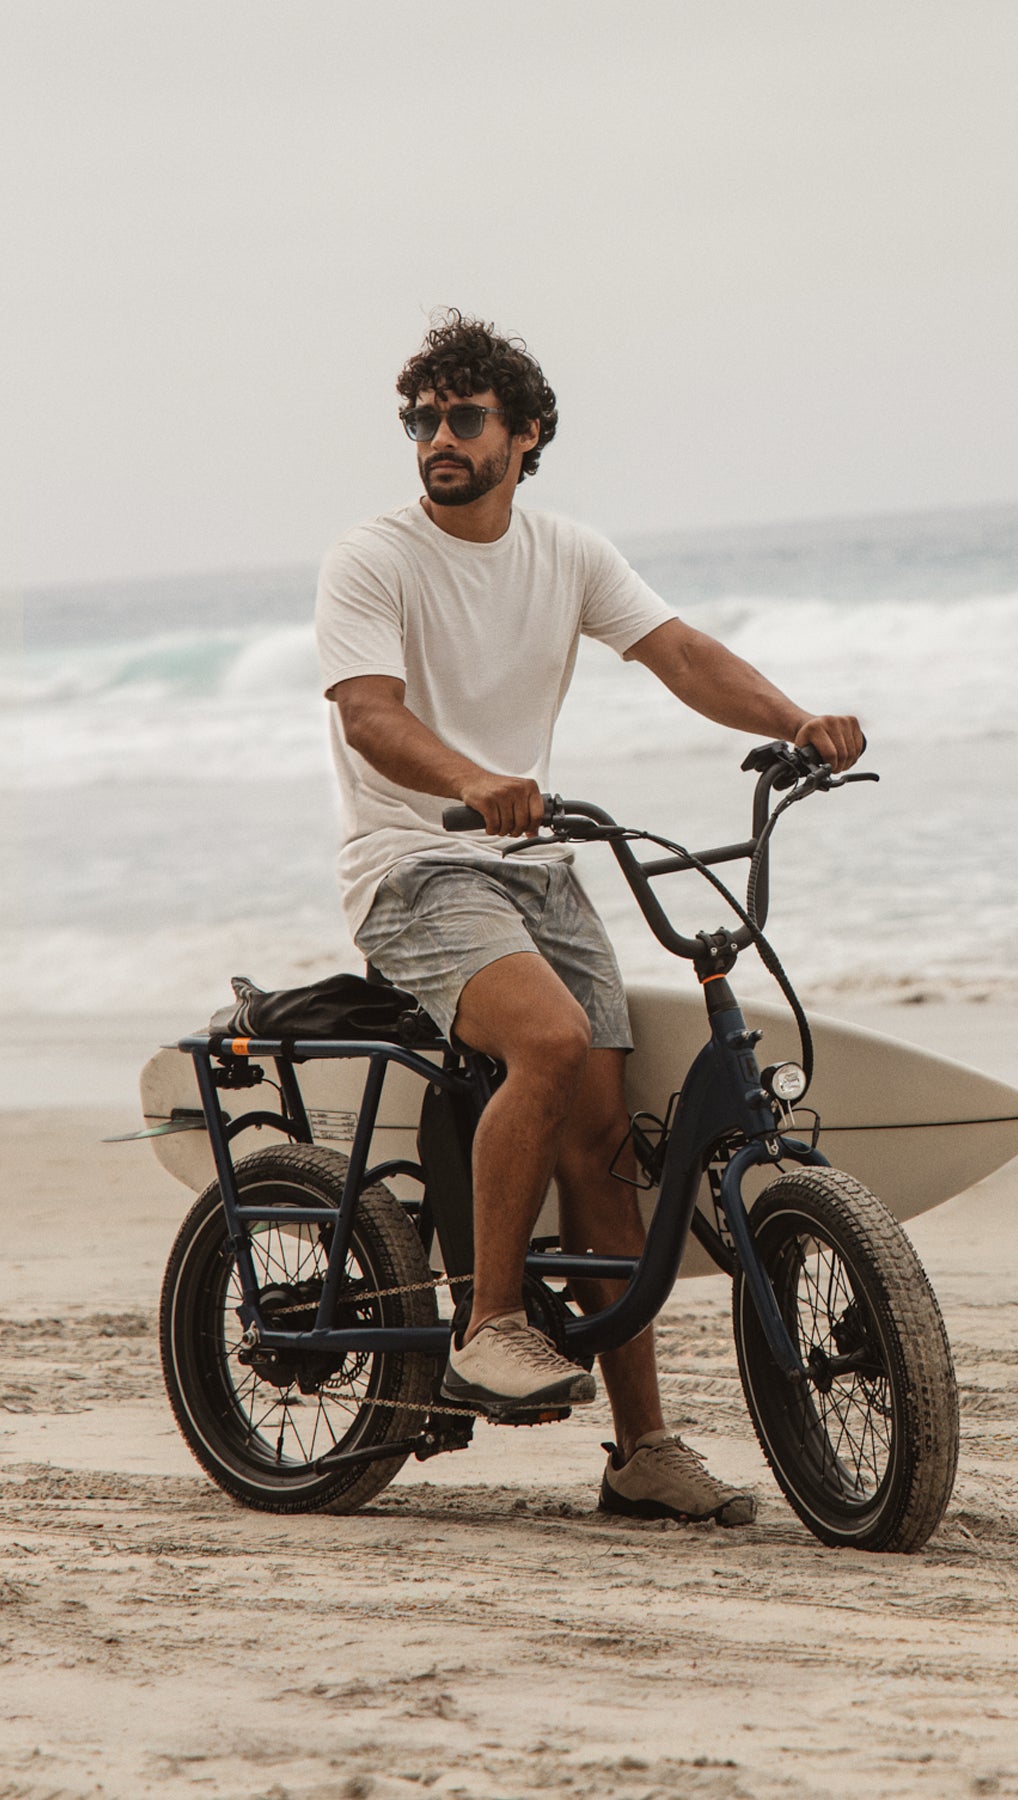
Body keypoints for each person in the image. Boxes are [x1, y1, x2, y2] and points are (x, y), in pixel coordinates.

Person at [314, 311, 864, 1526]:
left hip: (540, 868)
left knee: (608, 1147)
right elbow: (367, 712)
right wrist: (470, 782)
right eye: (421, 419)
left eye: (463, 417)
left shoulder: (566, 551)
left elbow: (680, 653)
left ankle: (643, 1450)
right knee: (552, 1045)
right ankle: (489, 1323)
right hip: (418, 864)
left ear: (528, 433)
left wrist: (793, 721)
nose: (437, 439)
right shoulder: (374, 558)